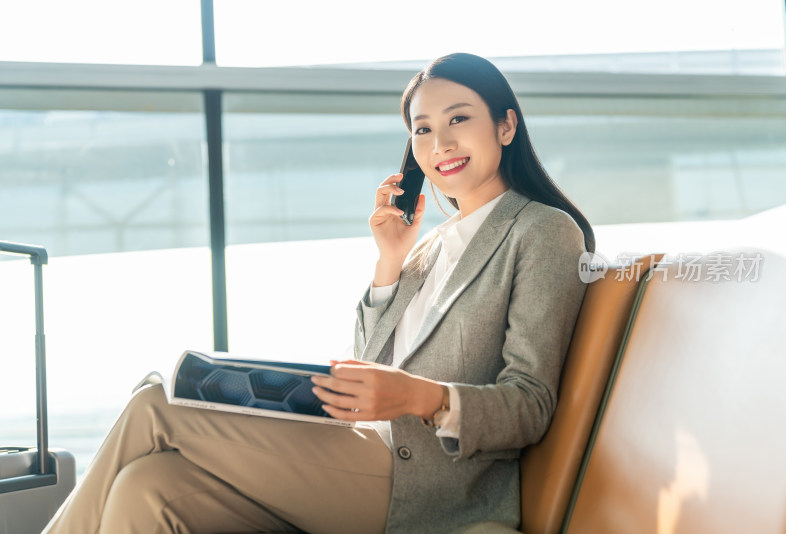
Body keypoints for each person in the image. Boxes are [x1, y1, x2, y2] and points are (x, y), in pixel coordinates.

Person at [43, 52, 594, 534]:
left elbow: (530, 404)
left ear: (505, 126)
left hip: (431, 486)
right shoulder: (429, 247)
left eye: (459, 119)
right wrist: (390, 259)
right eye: (422, 129)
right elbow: (366, 367)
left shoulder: (542, 231)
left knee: (155, 404)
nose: (440, 142)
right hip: (362, 455)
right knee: (147, 484)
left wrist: (420, 398)